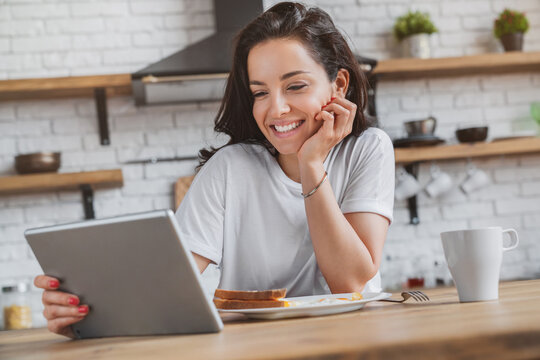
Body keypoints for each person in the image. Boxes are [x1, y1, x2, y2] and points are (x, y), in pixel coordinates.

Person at [34, 2, 394, 338]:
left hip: (353, 343)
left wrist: (311, 163)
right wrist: (88, 316)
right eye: (260, 92)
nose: (277, 109)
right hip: (253, 348)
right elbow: (164, 285)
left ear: (339, 85)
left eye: (295, 86)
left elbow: (350, 283)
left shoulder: (368, 149)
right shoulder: (230, 168)